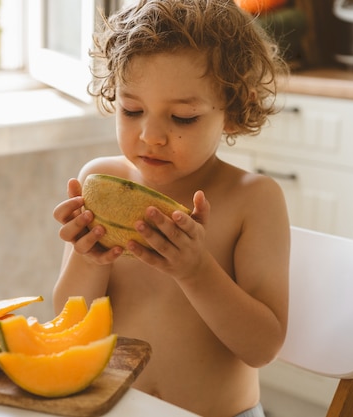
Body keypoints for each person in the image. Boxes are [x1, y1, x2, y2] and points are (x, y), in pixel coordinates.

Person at [51, 1, 290, 417]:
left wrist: (196, 271)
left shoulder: (253, 199)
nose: (151, 135)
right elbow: (71, 325)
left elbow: (262, 348)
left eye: (183, 117)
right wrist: (88, 260)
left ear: (233, 111)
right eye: (132, 110)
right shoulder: (100, 180)